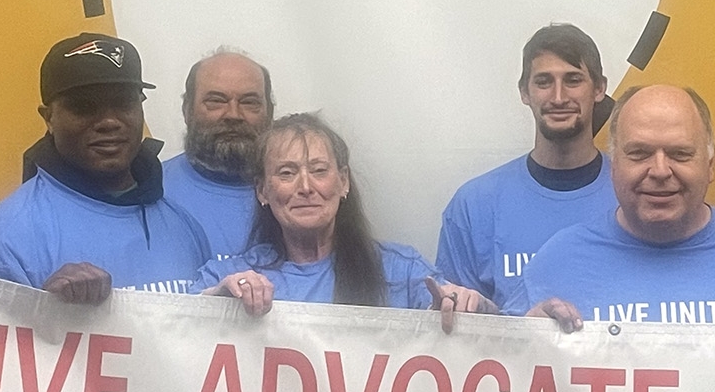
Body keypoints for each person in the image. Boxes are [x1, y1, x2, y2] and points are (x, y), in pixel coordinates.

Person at [510, 85, 715, 332]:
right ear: (613, 166)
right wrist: (521, 345)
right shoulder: (557, 262)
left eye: (680, 154)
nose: (659, 171)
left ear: (710, 165)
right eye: (639, 153)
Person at [0, 33, 212, 301]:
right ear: (49, 118)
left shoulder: (183, 226)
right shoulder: (6, 238)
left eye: (123, 103)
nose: (108, 121)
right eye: (84, 107)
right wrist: (42, 312)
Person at [196, 113, 495, 331]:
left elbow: (501, 343)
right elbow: (170, 331)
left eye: (319, 170)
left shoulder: (402, 272)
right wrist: (216, 303)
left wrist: (475, 308)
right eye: (286, 173)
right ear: (262, 190)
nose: (306, 187)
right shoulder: (231, 277)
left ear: (343, 182)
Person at [436, 24, 618, 308]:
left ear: (599, 89)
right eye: (544, 82)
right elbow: (458, 339)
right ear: (524, 92)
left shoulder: (633, 195)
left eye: (573, 80)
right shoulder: (475, 206)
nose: (558, 97)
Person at [165, 48, 275, 258]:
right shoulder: (151, 192)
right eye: (216, 100)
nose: (233, 114)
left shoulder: (303, 197)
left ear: (269, 113)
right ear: (187, 110)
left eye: (249, 102)